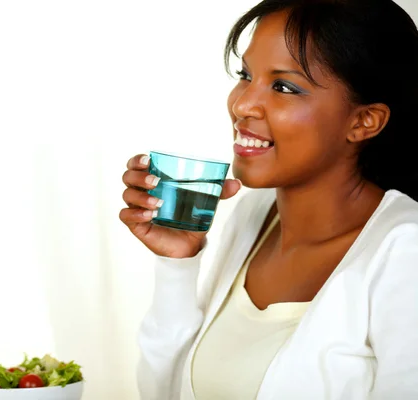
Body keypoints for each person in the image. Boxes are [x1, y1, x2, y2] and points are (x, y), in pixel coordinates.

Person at [119, 0, 418, 399]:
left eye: (284, 87)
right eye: (245, 75)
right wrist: (177, 264)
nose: (241, 104)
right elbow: (163, 393)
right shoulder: (254, 217)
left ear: (364, 121)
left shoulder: (405, 252)